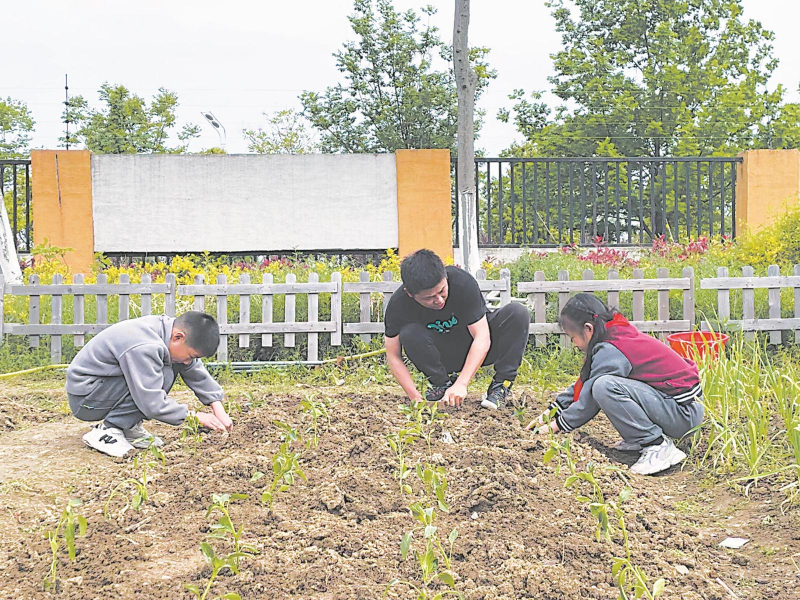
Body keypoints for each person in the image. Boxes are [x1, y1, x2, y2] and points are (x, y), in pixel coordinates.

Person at [527, 293, 704, 475]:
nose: (574, 344)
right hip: (678, 406)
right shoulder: (615, 333)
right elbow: (585, 381)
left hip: (684, 415)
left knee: (604, 387)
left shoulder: (612, 349)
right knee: (602, 383)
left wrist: (557, 425)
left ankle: (657, 446)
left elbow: (589, 397)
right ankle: (640, 438)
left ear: (588, 329)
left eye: (573, 338)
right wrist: (551, 411)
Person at [66, 311, 233, 457]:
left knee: (172, 365)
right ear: (178, 337)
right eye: (190, 355)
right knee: (164, 373)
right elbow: (151, 400)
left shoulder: (168, 332)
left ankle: (127, 426)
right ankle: (108, 431)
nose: (189, 361)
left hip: (104, 387)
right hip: (87, 399)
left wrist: (217, 407)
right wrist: (196, 416)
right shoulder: (145, 345)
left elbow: (194, 370)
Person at [384, 249, 530, 409]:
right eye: (429, 298)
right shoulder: (398, 305)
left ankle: (500, 387)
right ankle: (442, 385)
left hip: (478, 346)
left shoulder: (462, 282)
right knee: (409, 333)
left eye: (442, 291)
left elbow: (482, 335)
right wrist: (415, 398)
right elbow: (393, 356)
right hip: (441, 356)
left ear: (445, 277)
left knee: (517, 313)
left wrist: (462, 383)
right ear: (410, 294)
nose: (438, 300)